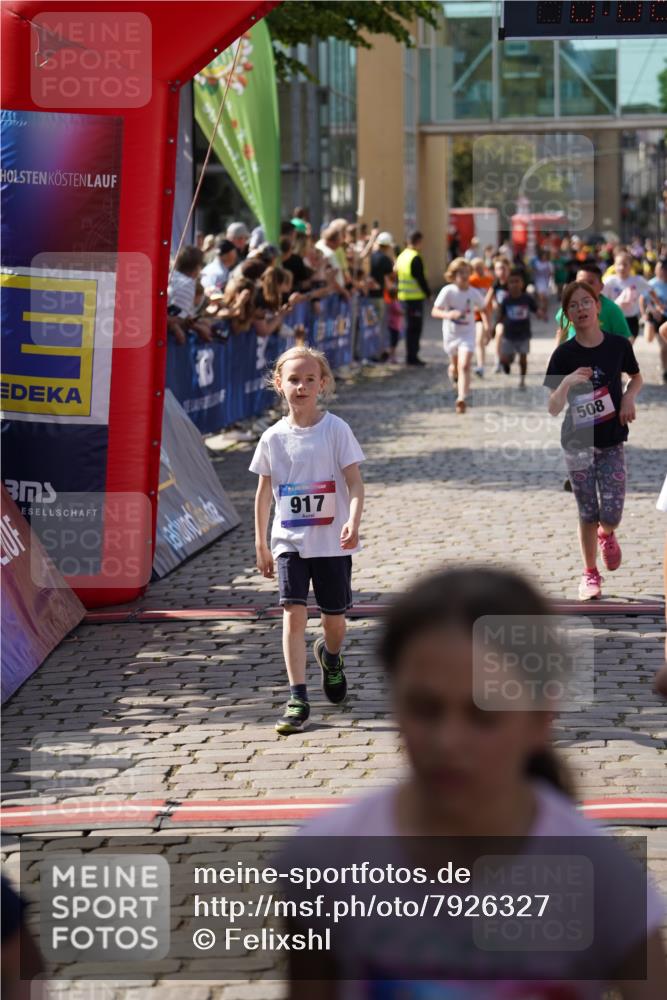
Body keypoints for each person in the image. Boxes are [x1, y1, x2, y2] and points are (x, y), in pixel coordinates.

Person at [285, 566, 667, 995]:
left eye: (483, 715)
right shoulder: (323, 862)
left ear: (542, 718)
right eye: (425, 708)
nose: (449, 741)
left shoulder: (604, 880)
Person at [250, 346, 365, 735]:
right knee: (293, 613)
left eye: (309, 380)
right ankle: (297, 696)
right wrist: (262, 542)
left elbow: (354, 482)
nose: (301, 387)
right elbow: (264, 493)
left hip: (332, 542)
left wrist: (353, 519)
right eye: (294, 380)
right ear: (279, 384)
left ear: (323, 384)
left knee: (334, 621)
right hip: (290, 541)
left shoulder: (336, 430)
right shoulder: (272, 437)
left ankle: (330, 657)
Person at [544, 281, 643, 601]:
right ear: (567, 315)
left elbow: (636, 377)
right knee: (587, 511)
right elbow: (552, 407)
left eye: (587, 302)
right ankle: (590, 574)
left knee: (611, 512)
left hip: (613, 439)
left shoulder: (617, 345)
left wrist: (629, 397)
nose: (581, 309)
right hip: (578, 442)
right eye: (574, 306)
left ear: (598, 306)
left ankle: (607, 533)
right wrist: (567, 383)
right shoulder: (564, 355)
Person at [432, 257, 486, 413]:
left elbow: (484, 309)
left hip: (467, 334)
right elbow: (435, 311)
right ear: (454, 275)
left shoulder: (474, 293)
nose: (463, 275)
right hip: (451, 335)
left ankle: (462, 398)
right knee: (455, 367)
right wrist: (448, 314)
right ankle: (454, 376)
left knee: (465, 365)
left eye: (466, 272)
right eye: (460, 272)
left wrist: (488, 327)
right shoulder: (448, 291)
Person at [554, 260, 632, 346]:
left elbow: (623, 338)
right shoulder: (569, 307)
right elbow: (562, 331)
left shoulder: (612, 310)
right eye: (581, 283)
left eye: (590, 282)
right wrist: (555, 353)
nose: (585, 287)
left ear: (601, 286)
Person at [497, 267, 537, 389]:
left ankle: (522, 380)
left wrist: (541, 313)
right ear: (507, 285)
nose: (514, 284)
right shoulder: (506, 300)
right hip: (509, 334)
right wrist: (494, 328)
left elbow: (535, 309)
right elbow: (501, 315)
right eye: (511, 282)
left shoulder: (527, 298)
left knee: (523, 358)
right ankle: (506, 363)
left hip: (524, 334)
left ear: (522, 283)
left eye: (517, 281)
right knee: (507, 358)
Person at [395, 230, 430, 366]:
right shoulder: (415, 257)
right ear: (418, 241)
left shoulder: (402, 255)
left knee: (409, 327)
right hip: (414, 298)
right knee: (415, 328)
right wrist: (428, 294)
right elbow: (420, 278)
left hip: (403, 296)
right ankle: (412, 356)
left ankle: (410, 355)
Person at [602, 250, 654, 340]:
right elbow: (600, 297)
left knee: (627, 348)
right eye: (619, 264)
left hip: (631, 320)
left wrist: (655, 307)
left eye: (625, 265)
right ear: (614, 265)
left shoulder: (637, 280)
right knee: (615, 349)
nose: (622, 268)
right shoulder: (609, 281)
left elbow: (651, 291)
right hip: (613, 319)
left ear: (631, 266)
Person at [484, 255, 511, 373]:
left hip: (514, 318)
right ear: (495, 271)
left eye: (503, 268)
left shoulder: (514, 283)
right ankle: (497, 361)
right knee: (499, 333)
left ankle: (506, 358)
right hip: (500, 317)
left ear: (508, 269)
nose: (501, 271)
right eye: (498, 269)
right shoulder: (495, 285)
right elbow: (485, 303)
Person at [468, 257, 493, 377]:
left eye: (480, 267)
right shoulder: (471, 280)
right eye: (475, 268)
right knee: (479, 340)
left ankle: (481, 365)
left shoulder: (489, 279)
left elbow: (493, 294)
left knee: (481, 339)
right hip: (474, 314)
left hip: (487, 312)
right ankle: (480, 365)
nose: (478, 270)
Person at [644, 256, 667, 382]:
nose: (662, 272)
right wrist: (653, 311)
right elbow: (644, 301)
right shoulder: (651, 284)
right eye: (659, 269)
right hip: (657, 317)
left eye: (664, 269)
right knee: (663, 346)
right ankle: (665, 371)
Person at [531, 246, 553, 320]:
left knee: (546, 299)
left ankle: (544, 313)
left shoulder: (549, 263)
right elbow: (533, 271)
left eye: (545, 255)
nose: (544, 257)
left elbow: (552, 273)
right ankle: (541, 313)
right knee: (542, 298)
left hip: (547, 282)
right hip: (539, 282)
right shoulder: (537, 263)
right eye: (543, 255)